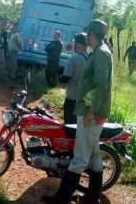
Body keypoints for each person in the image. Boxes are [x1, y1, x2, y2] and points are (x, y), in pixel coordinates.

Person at [42, 19, 112, 204]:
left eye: (88, 33)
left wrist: (91, 111)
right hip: (90, 110)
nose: (86, 36)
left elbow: (100, 86)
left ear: (92, 34)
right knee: (94, 155)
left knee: (80, 157)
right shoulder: (97, 52)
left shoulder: (101, 54)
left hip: (92, 112)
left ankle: (62, 198)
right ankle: (92, 197)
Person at [59, 33, 88, 124]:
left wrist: (57, 79)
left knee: (69, 126)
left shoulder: (74, 59)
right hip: (86, 101)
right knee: (80, 126)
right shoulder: (91, 58)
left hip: (72, 99)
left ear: (78, 44)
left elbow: (65, 78)